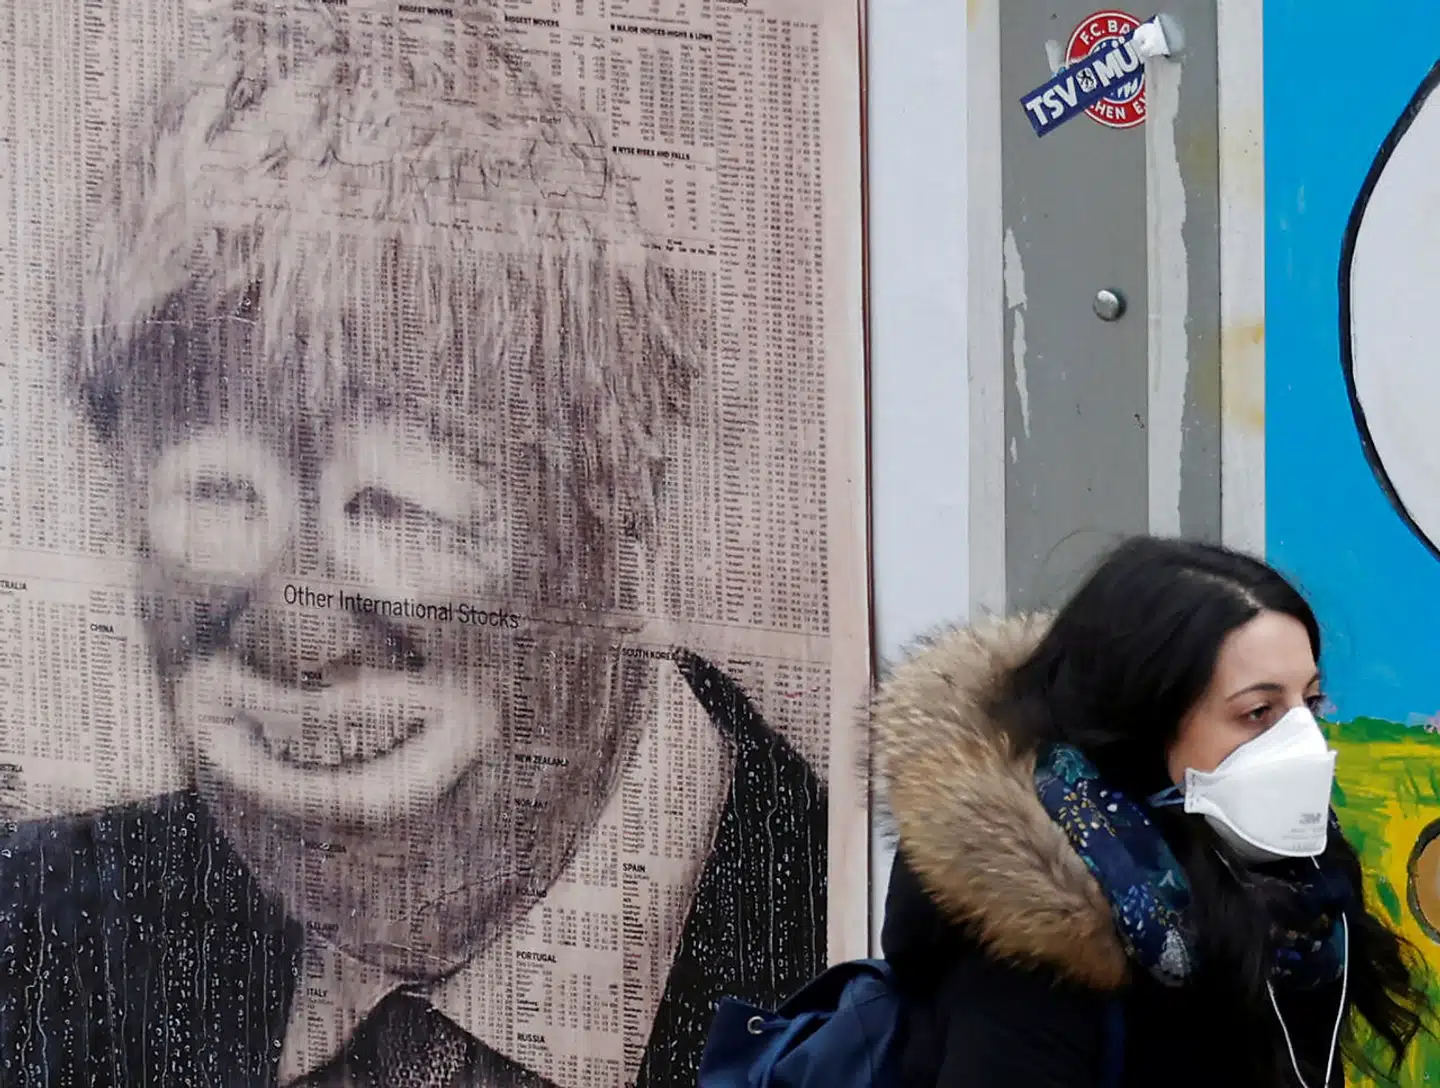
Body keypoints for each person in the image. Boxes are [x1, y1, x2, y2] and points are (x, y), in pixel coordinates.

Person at [0, 3, 826, 1086]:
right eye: (216, 496)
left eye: (397, 507)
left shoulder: (888, 944)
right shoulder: (32, 937)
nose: (298, 634)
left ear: (616, 505)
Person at [871, 536, 1429, 1087]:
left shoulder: (1295, 900)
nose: (1303, 744)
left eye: (1308, 702)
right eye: (1258, 712)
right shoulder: (1040, 961)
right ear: (1144, 726)